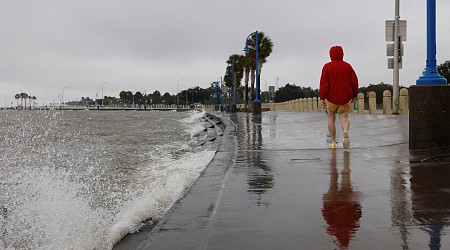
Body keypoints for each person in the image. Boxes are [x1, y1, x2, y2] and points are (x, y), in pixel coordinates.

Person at [320, 46, 358, 149]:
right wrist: (354, 94)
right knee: (344, 118)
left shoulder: (327, 67)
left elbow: (324, 84)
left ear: (330, 55)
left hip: (331, 98)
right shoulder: (347, 67)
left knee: (331, 118)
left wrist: (322, 97)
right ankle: (345, 131)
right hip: (345, 97)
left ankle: (333, 142)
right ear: (342, 54)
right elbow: (354, 81)